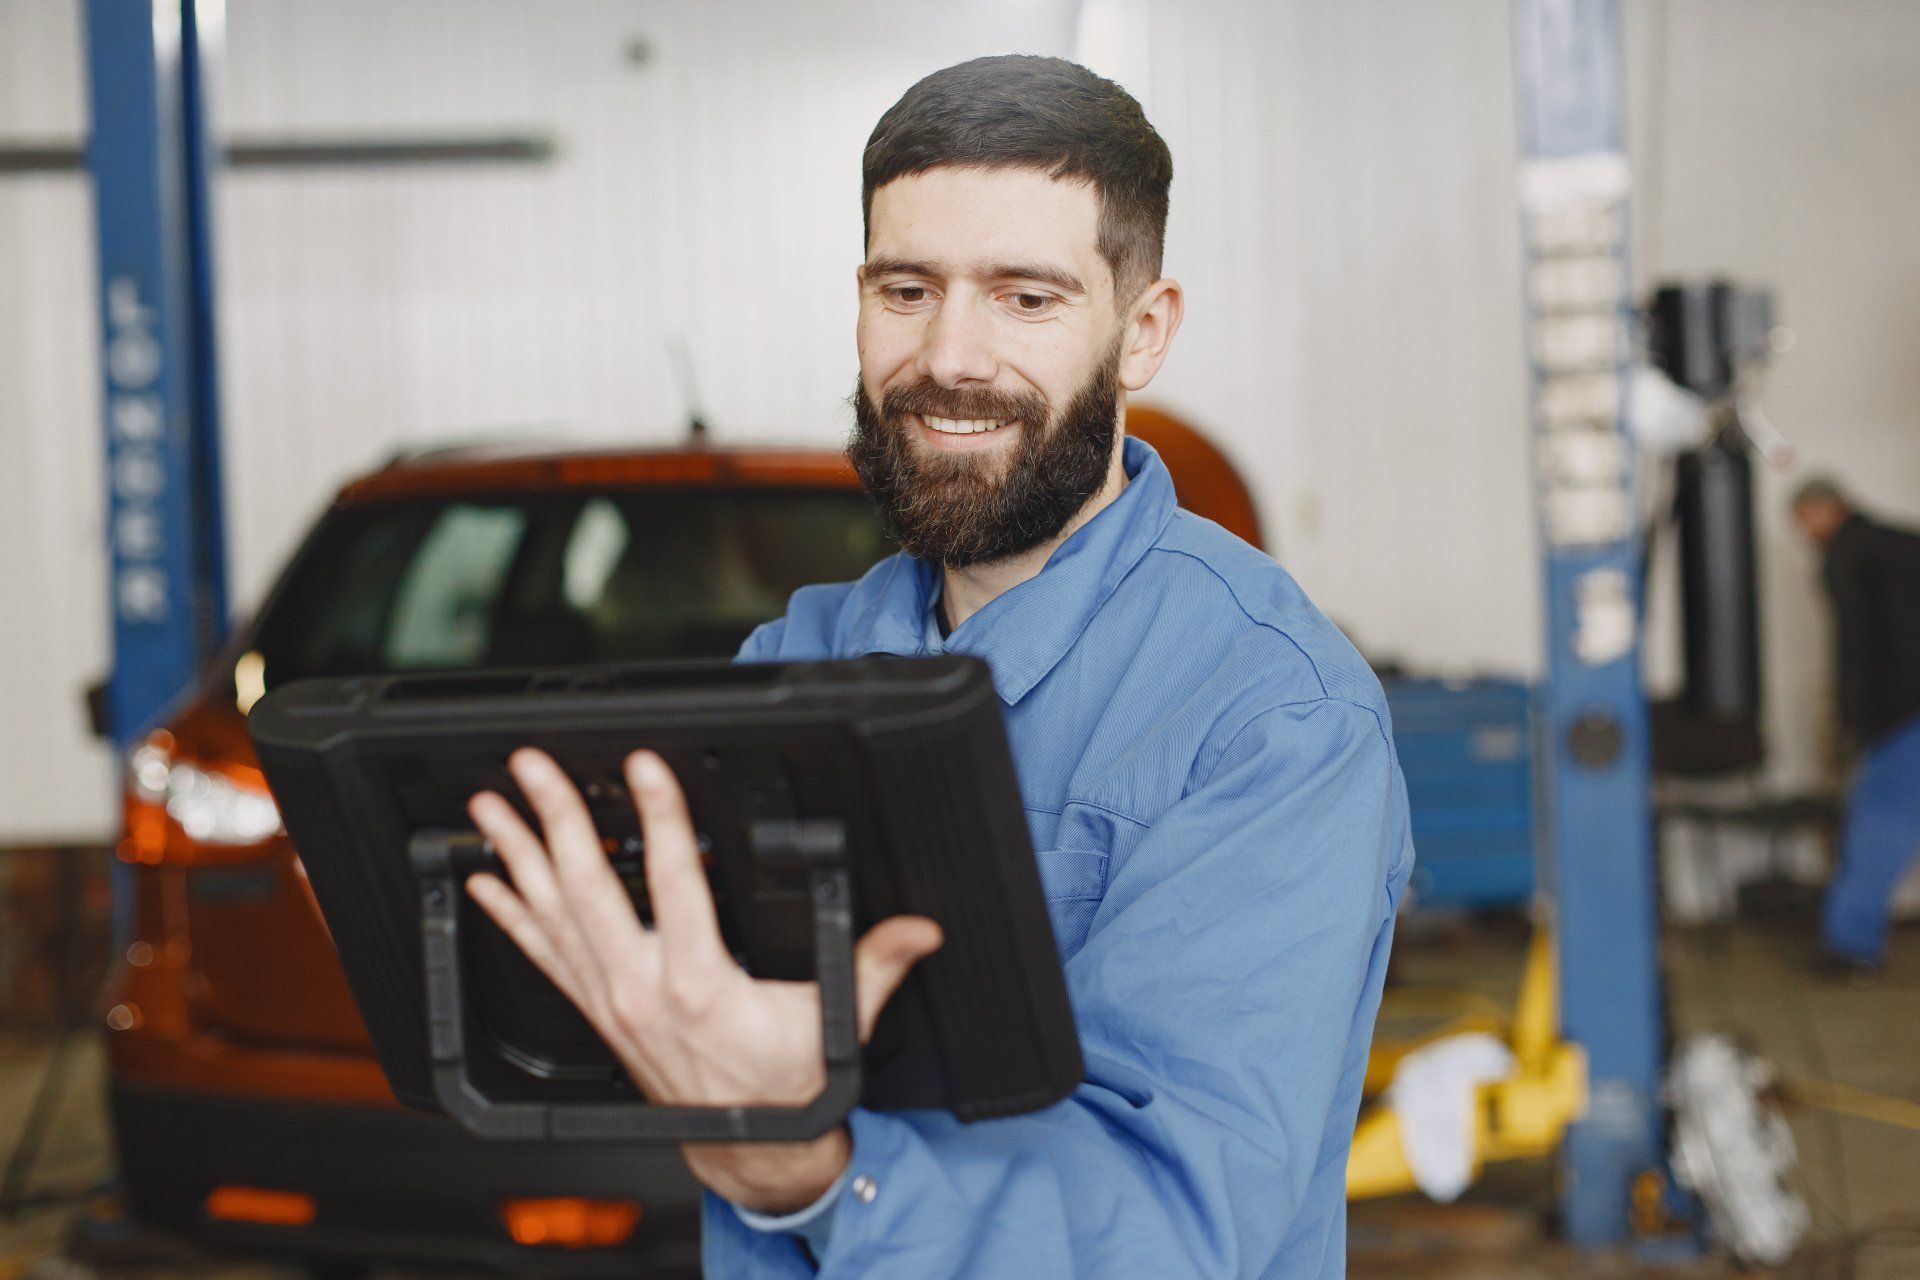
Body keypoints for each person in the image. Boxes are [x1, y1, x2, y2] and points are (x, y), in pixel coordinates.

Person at [461, 55, 1412, 1277]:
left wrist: (816, 1169)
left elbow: (1176, 1222)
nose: (950, 355)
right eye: (907, 288)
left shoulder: (1273, 716)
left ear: (1144, 332)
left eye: (1027, 297)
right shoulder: (788, 662)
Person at [1791, 476, 1920, 980]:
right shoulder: (1905, 543)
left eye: (1803, 524)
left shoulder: (1847, 557)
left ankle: (1851, 945)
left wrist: (1853, 719)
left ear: (1823, 511)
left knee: (1877, 828)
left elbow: (1858, 650)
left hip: (1899, 718)